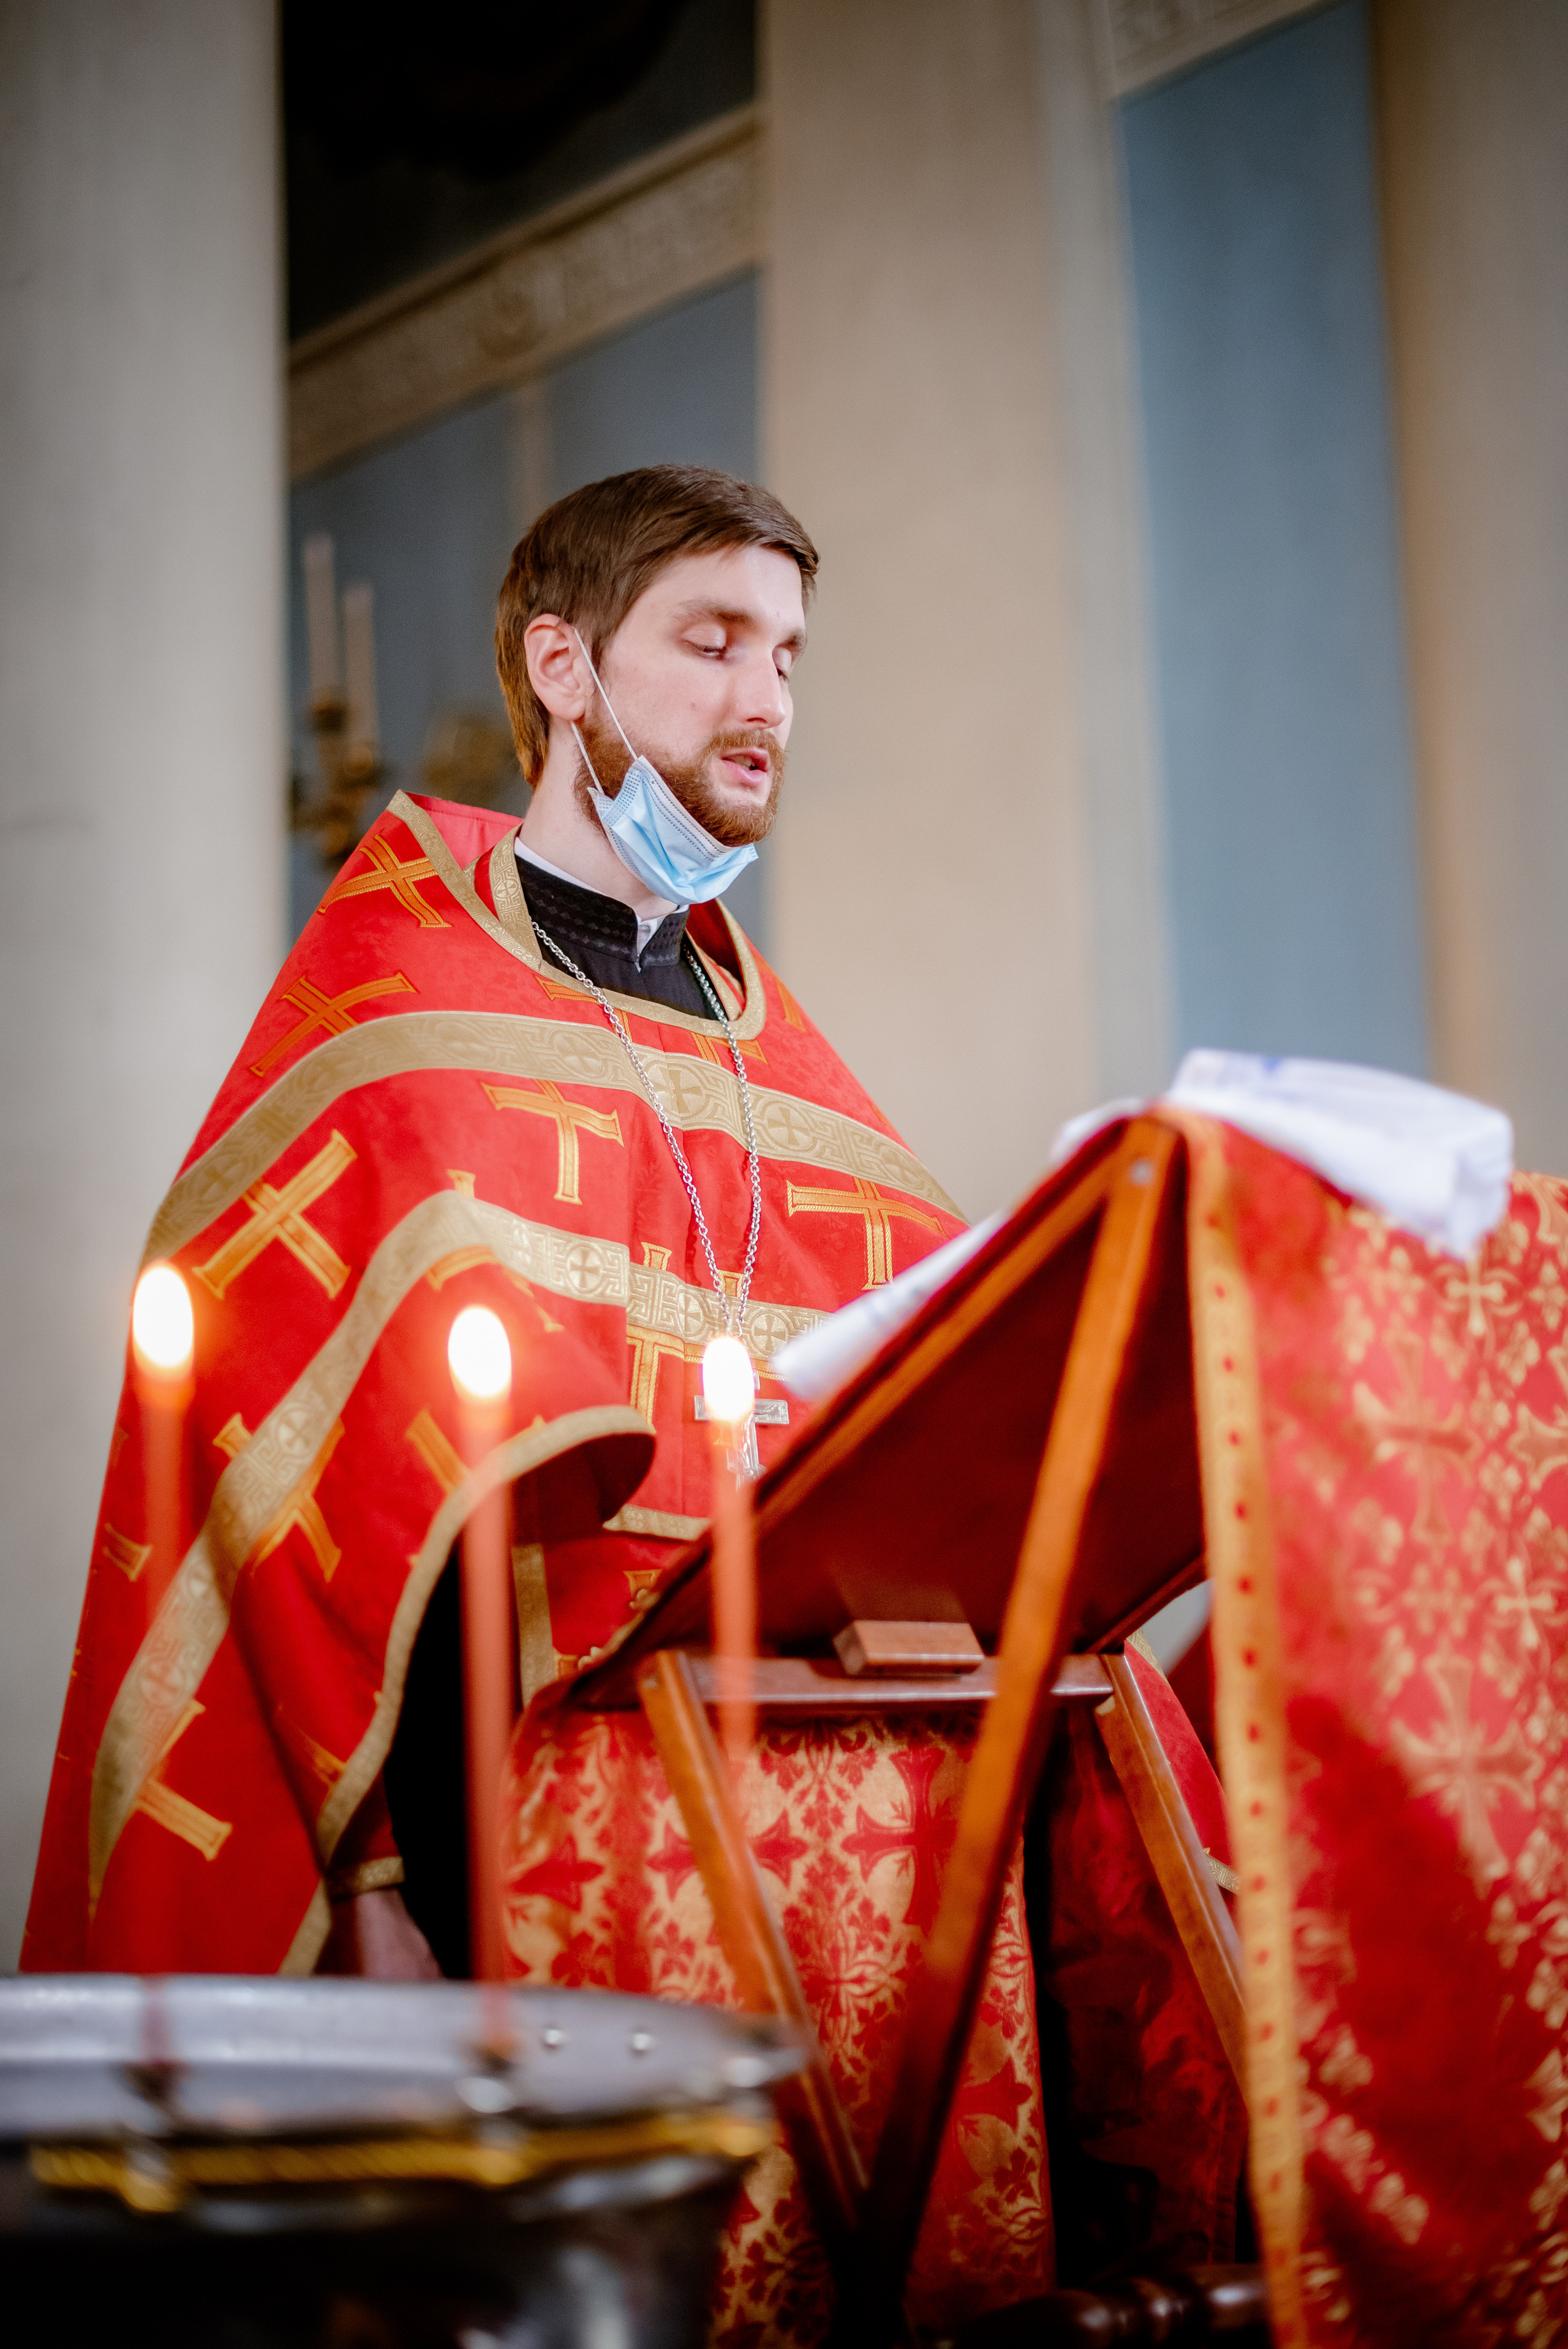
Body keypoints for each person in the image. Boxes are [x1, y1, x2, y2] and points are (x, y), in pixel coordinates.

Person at [23, 466, 1241, 2336]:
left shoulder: (796, 1077)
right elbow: (285, 1516)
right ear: (562, 665)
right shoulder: (393, 1023)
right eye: (715, 640)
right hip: (518, 1867)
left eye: (791, 654)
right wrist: (370, 1891)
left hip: (866, 1899)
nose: (768, 700)